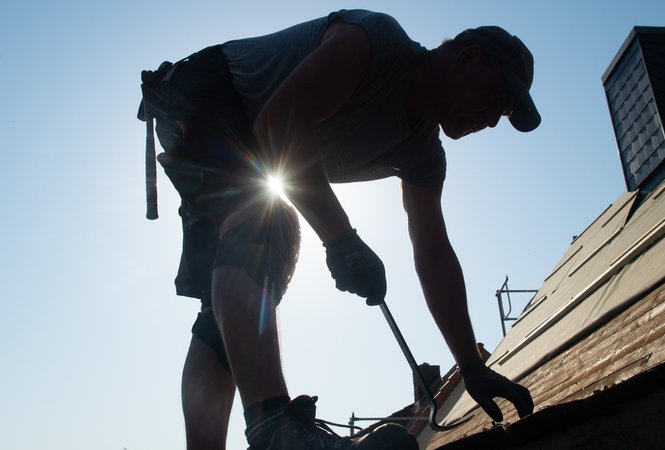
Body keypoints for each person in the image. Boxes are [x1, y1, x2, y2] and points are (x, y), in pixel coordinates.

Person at [138, 8, 540, 450]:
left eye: (503, 114)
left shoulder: (423, 154)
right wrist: (342, 240)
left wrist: (471, 366)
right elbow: (277, 125)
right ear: (468, 58)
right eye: (494, 95)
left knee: (223, 316)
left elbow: (434, 253)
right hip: (207, 91)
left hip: (238, 134)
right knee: (271, 222)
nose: (491, 119)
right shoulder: (376, 43)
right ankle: (276, 432)